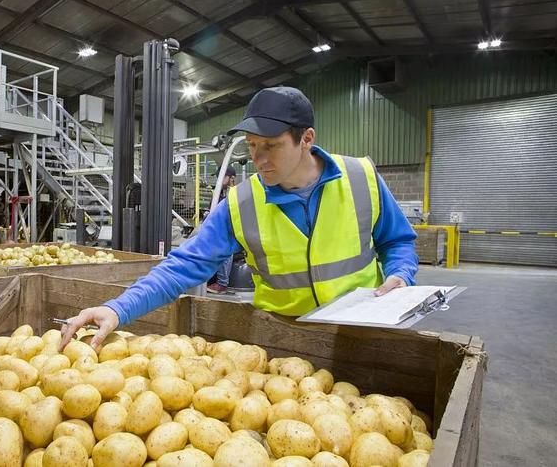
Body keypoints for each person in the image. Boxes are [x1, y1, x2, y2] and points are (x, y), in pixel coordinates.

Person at [60, 86, 418, 350]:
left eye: (271, 145)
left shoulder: (360, 177)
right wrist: (117, 309)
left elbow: (397, 241)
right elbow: (182, 267)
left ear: (306, 138)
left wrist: (401, 275)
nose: (259, 159)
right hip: (282, 342)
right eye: (252, 145)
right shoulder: (242, 203)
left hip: (360, 336)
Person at [207, 166, 236, 294]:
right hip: (219, 229)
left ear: (231, 178)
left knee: (225, 245)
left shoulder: (236, 194)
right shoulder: (218, 193)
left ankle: (222, 283)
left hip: (233, 233)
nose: (218, 180)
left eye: (222, 176)